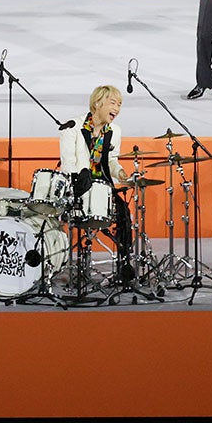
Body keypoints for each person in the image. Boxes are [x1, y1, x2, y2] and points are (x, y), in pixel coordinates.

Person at [58, 85, 135, 285]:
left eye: (119, 105)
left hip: (103, 188)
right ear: (98, 102)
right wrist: (79, 176)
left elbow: (111, 161)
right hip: (78, 187)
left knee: (125, 215)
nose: (117, 109)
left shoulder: (114, 131)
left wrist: (121, 174)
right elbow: (67, 162)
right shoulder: (73, 126)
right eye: (113, 103)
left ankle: (124, 264)